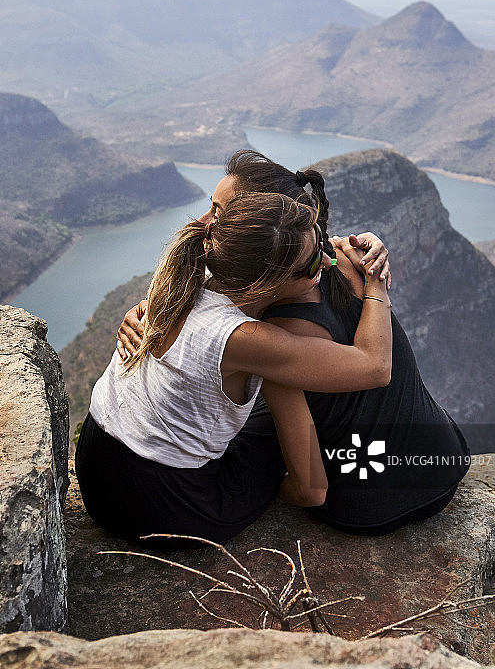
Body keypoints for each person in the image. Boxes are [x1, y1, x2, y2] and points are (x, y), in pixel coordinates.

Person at [117, 150, 469, 536]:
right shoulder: (346, 261)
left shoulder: (272, 336)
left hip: (364, 505)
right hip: (444, 460)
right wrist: (146, 310)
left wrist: (271, 494)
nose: (206, 225)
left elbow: (311, 486)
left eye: (220, 214)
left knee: (255, 427)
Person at [76, 190, 393, 543]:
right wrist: (376, 281)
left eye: (321, 240)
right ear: (263, 284)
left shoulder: (202, 264)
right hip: (158, 504)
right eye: (308, 265)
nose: (326, 261)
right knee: (278, 426)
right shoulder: (243, 338)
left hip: (95, 459)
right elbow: (375, 367)